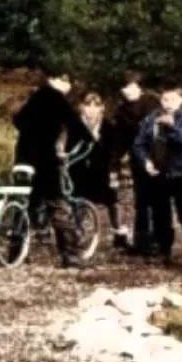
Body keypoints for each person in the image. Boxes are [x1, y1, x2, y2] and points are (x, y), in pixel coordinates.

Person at [11, 73, 86, 267]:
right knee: (57, 204)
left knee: (23, 202)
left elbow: (18, 120)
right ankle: (70, 254)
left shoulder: (34, 98)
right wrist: (80, 144)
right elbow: (77, 127)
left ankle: (14, 252)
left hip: (22, 157)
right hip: (44, 160)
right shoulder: (58, 100)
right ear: (60, 81)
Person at [133, 85, 182, 268]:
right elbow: (139, 144)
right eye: (165, 100)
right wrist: (145, 162)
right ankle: (164, 252)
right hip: (158, 174)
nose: (168, 104)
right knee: (160, 215)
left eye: (172, 100)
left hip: (180, 174)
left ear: (180, 100)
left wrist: (171, 128)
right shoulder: (151, 119)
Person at [108, 73, 158, 254]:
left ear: (140, 87)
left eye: (132, 86)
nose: (128, 91)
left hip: (155, 158)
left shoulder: (152, 106)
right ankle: (142, 241)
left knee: (157, 200)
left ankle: (158, 241)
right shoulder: (121, 111)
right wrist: (114, 163)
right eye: (125, 87)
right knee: (142, 200)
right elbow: (119, 140)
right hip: (137, 159)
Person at [65, 91, 121, 246]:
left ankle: (118, 231)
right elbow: (71, 148)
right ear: (81, 107)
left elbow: (114, 151)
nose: (91, 109)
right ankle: (78, 232)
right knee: (78, 200)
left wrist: (113, 170)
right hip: (80, 170)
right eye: (88, 105)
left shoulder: (109, 126)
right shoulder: (75, 126)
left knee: (112, 200)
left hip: (103, 169)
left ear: (102, 108)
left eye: (96, 105)